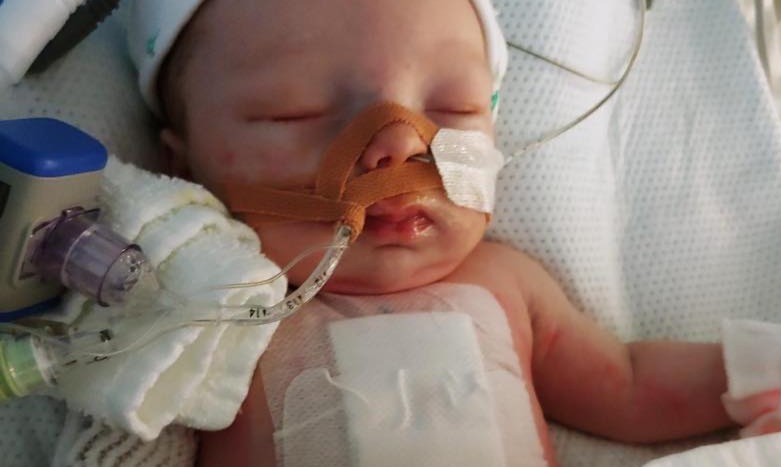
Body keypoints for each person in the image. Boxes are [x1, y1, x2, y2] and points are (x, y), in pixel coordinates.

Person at [133, 0, 733, 465]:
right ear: (180, 167)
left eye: (455, 108)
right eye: (295, 111)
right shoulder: (205, 303)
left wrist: (768, 367)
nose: (399, 143)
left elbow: (629, 385)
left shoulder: (504, 282)